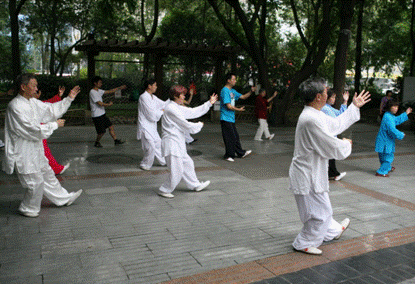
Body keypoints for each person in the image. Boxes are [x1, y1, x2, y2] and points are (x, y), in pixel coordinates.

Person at [289, 77, 371, 255]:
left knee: (322, 207)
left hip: (312, 172)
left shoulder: (316, 114)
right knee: (318, 212)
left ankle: (333, 231)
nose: (329, 94)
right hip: (306, 174)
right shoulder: (310, 119)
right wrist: (346, 144)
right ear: (318, 96)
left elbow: (335, 124)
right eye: (326, 92)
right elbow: (328, 144)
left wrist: (354, 106)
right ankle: (303, 242)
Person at [2, 73, 83, 217]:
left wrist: (69, 98)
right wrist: (54, 125)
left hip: (35, 149)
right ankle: (28, 208)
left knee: (47, 174)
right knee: (35, 182)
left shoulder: (32, 102)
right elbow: (29, 129)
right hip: (23, 151)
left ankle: (63, 198)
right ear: (23, 87)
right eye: (33, 85)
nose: (36, 88)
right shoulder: (15, 106)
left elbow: (49, 109)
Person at [157, 85, 218, 198]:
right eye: (182, 94)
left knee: (188, 163)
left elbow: (192, 112)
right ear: (176, 96)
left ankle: (195, 185)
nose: (184, 96)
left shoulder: (176, 106)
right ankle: (164, 189)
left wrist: (209, 103)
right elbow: (185, 124)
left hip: (177, 142)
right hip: (171, 143)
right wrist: (199, 125)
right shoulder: (171, 108)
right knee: (177, 171)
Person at [220, 73, 255, 162]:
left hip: (231, 118)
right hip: (225, 118)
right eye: (234, 79)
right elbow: (228, 106)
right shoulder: (225, 91)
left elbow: (243, 97)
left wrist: (251, 91)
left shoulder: (232, 91)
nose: (235, 81)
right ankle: (228, 155)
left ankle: (241, 153)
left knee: (235, 136)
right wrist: (238, 109)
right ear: (228, 80)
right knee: (229, 137)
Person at [375, 99, 412, 177]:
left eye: (397, 106)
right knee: (388, 157)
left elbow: (396, 120)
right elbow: (392, 129)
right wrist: (401, 134)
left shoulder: (388, 115)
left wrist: (406, 113)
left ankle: (387, 167)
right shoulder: (388, 117)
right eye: (394, 106)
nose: (396, 108)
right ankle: (382, 171)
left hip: (384, 140)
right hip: (386, 140)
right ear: (389, 107)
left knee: (384, 156)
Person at [38, 86, 70, 175]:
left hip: (37, 130)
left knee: (43, 150)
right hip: (37, 130)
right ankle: (57, 169)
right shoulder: (35, 104)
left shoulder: (34, 103)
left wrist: (58, 96)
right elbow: (49, 105)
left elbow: (49, 104)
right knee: (45, 150)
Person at [137, 78, 167, 171]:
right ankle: (145, 164)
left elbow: (164, 104)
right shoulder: (143, 97)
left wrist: (174, 103)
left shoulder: (153, 97)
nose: (156, 87)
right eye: (155, 85)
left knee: (158, 143)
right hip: (145, 126)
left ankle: (164, 161)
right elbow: (151, 115)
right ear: (149, 86)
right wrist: (161, 111)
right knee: (150, 146)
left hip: (152, 127)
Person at [89, 76, 126, 148]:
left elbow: (110, 91)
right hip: (97, 115)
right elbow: (99, 103)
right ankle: (97, 142)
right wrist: (108, 105)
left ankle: (116, 141)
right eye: (99, 82)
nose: (101, 84)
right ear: (95, 83)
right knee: (101, 132)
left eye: (101, 82)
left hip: (102, 114)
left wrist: (120, 88)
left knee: (110, 126)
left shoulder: (98, 91)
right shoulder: (92, 92)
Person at [321, 88, 349, 181]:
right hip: (329, 137)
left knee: (329, 156)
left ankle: (331, 174)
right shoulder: (325, 108)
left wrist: (345, 101)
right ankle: (333, 174)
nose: (334, 99)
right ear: (327, 97)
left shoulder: (328, 108)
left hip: (329, 137)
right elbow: (337, 120)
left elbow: (340, 114)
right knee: (330, 157)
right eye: (332, 97)